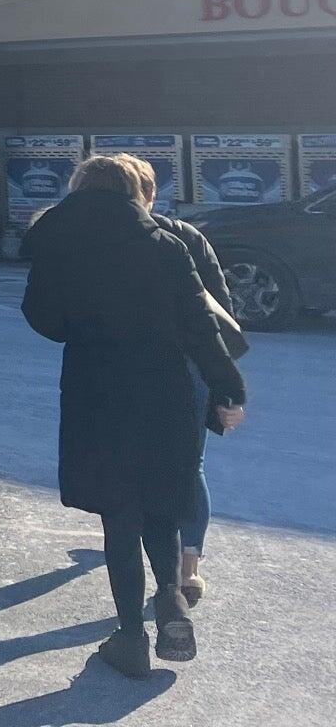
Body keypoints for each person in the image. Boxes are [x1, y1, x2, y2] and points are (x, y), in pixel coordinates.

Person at [22, 153, 247, 679]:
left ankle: (129, 637)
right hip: (165, 392)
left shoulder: (58, 245)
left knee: (118, 514)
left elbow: (43, 319)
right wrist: (228, 390)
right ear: (132, 192)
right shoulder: (165, 245)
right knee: (161, 506)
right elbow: (200, 324)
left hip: (97, 394)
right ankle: (171, 601)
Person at [124, 157, 236, 607]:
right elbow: (221, 315)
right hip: (189, 364)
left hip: (130, 367)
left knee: (135, 461)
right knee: (190, 464)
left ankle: (143, 554)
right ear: (152, 194)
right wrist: (224, 384)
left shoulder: (106, 244)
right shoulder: (188, 237)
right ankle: (189, 568)